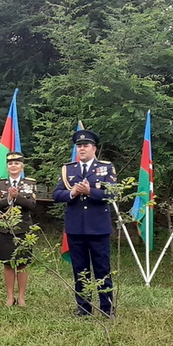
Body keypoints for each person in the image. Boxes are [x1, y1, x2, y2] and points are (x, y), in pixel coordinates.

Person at [53, 129, 117, 317]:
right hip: (75, 228)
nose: (82, 149)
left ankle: (107, 308)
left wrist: (91, 192)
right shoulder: (68, 169)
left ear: (94, 148)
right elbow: (57, 195)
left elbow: (112, 194)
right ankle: (83, 308)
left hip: (98, 228)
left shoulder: (106, 168)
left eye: (85, 146)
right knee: (80, 269)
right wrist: (73, 193)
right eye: (79, 146)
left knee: (102, 269)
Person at [0, 152, 37, 307]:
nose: (13, 166)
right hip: (5, 229)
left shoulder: (29, 183)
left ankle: (21, 297)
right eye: (10, 164)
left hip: (23, 228)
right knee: (8, 263)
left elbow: (32, 206)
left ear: (22, 166)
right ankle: (10, 296)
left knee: (22, 263)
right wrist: (8, 199)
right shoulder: (0, 184)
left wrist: (18, 198)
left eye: (17, 163)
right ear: (7, 167)